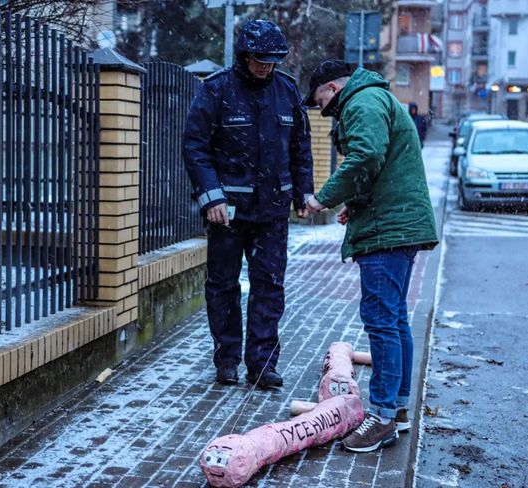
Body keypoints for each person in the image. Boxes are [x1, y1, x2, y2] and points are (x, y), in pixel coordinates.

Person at [304, 60, 438, 452]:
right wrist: (357, 201)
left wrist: (323, 197)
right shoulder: (377, 98)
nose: (327, 111)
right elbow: (380, 166)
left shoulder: (362, 101)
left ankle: (380, 418)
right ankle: (395, 409)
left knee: (381, 320)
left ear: (333, 86)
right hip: (395, 221)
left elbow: (365, 156)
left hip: (388, 229)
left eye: (324, 102)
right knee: (394, 318)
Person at [183, 20, 314, 389]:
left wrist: (304, 192)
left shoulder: (286, 91)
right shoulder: (217, 90)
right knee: (223, 286)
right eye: (260, 59)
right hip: (227, 213)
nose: (266, 66)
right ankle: (226, 360)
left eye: (272, 60)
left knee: (269, 287)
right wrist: (211, 197)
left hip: (272, 210)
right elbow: (195, 147)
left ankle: (263, 364)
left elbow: (300, 148)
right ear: (244, 55)